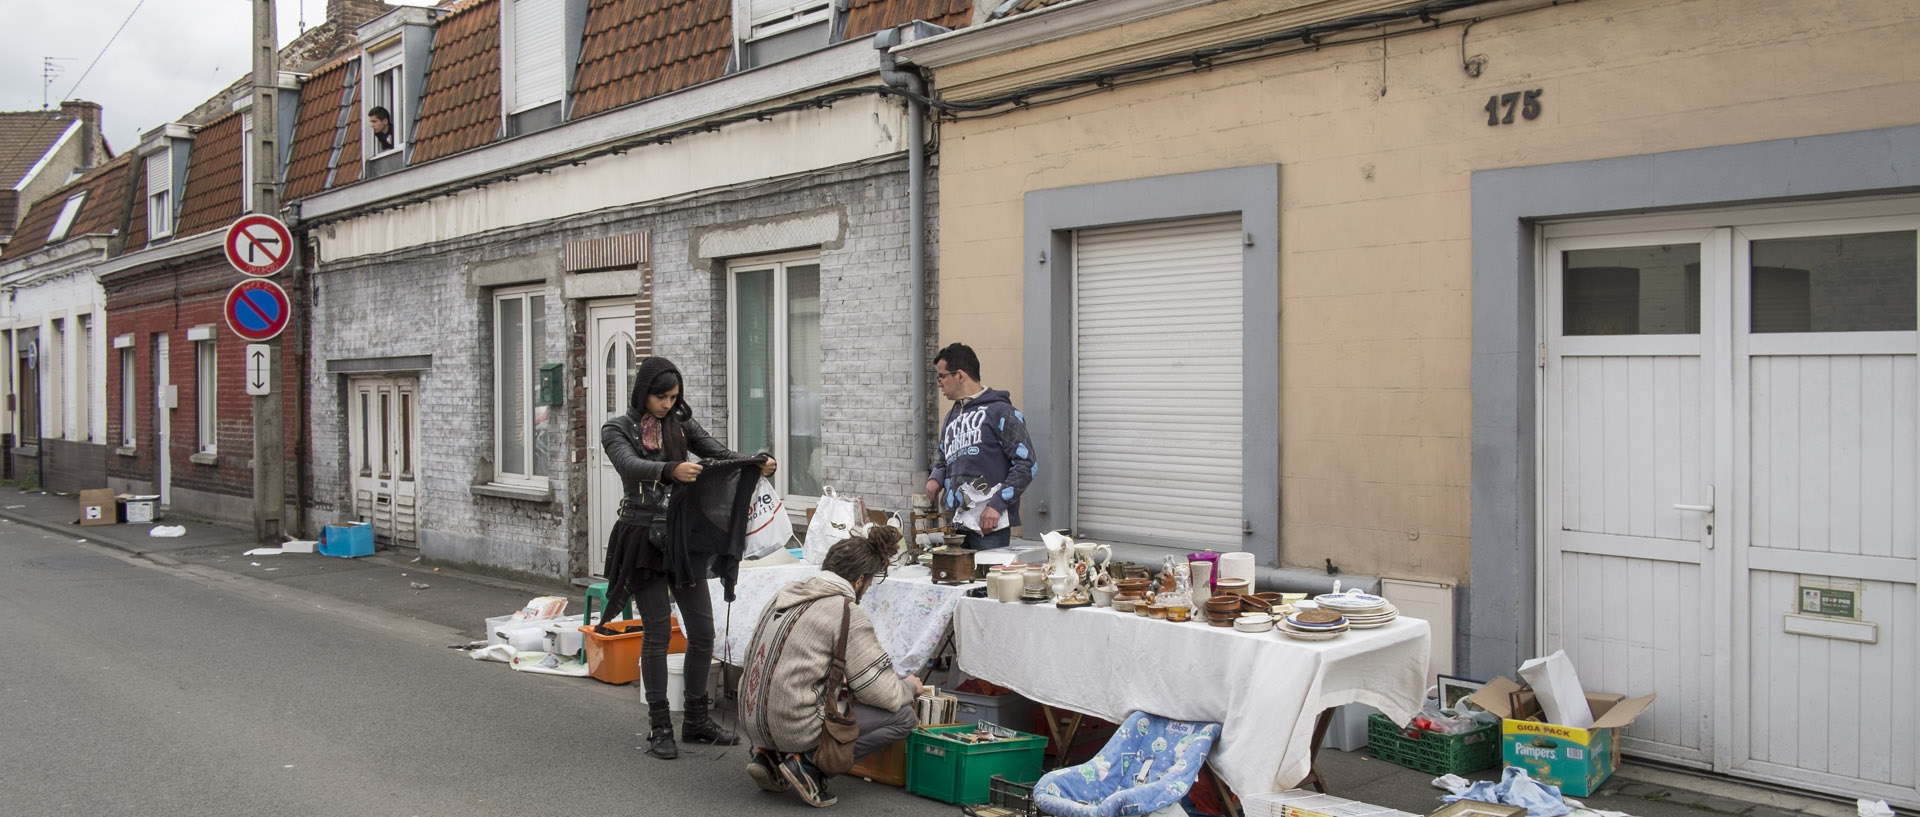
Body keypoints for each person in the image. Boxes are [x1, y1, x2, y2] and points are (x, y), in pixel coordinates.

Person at [601, 356, 776, 761]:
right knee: (659, 633)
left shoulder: (681, 423)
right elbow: (629, 465)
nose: (667, 403)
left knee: (702, 631)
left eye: (673, 396)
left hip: (682, 539)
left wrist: (757, 461)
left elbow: (719, 453)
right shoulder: (618, 428)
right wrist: (669, 470)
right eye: (660, 396)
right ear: (642, 392)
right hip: (642, 538)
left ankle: (696, 720)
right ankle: (660, 727)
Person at [737, 527, 928, 808]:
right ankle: (811, 765)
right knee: (902, 716)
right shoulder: (846, 611)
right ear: (860, 580)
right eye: (869, 583)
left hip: (751, 719)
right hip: (794, 726)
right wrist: (910, 686)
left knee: (816, 690)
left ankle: (770, 757)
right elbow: (883, 693)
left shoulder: (783, 595)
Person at [926, 342, 1036, 550]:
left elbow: (1027, 465)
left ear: (960, 375)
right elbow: (943, 458)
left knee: (987, 582)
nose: (938, 383)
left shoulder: (1002, 412)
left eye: (941, 377)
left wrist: (996, 505)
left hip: (988, 526)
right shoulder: (951, 416)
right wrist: (935, 478)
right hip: (954, 525)